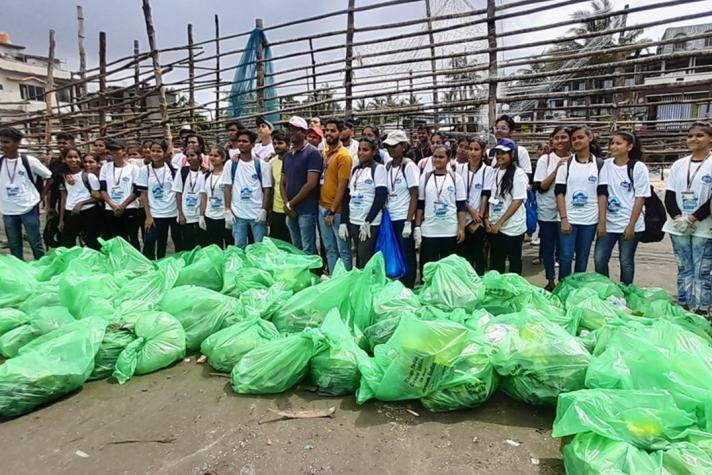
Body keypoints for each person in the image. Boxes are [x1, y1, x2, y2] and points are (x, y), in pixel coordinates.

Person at [663, 122, 712, 314]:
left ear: (710, 139)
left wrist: (692, 218)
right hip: (678, 225)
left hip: (704, 226)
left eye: (699, 135)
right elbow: (669, 195)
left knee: (702, 271)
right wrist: (678, 218)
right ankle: (682, 305)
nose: (693, 139)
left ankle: (701, 309)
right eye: (690, 135)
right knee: (684, 268)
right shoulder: (679, 165)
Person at [594, 131, 651, 285]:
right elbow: (602, 193)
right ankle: (606, 289)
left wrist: (631, 225)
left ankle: (626, 291)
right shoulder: (606, 165)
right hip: (610, 223)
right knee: (599, 258)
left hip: (630, 223)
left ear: (630, 146)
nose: (613, 146)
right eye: (612, 143)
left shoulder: (638, 167)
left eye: (618, 143)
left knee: (626, 260)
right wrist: (602, 221)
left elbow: (641, 197)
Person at [555, 125, 602, 279]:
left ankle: (577, 291)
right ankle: (563, 289)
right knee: (566, 257)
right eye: (574, 139)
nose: (576, 141)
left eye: (580, 137)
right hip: (569, 219)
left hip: (589, 221)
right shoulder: (566, 165)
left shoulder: (600, 165)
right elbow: (559, 193)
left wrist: (601, 222)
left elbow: (602, 195)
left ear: (590, 138)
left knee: (582, 259)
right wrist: (564, 219)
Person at [0, 127, 52, 260]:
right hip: (8, 210)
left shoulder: (29, 161)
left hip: (28, 207)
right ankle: (19, 273)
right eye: (1, 142)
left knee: (35, 242)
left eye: (6, 142)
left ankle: (41, 269)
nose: (3, 145)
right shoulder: (0, 161)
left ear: (17, 143)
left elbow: (49, 178)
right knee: (14, 244)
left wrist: (40, 197)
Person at [415, 145, 466, 269]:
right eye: (435, 157)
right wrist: (417, 227)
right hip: (429, 231)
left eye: (441, 157)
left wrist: (461, 228)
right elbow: (420, 204)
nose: (437, 160)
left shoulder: (455, 178)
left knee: (448, 270)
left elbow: (461, 206)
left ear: (448, 159)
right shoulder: (425, 178)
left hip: (450, 230)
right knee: (428, 270)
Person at [340, 137, 388, 268]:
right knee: (359, 256)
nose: (361, 153)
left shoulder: (379, 169)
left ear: (373, 152)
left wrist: (368, 220)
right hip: (354, 220)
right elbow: (348, 196)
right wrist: (344, 221)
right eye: (360, 149)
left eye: (365, 150)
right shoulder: (356, 170)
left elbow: (380, 196)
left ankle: (367, 285)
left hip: (368, 223)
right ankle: (360, 283)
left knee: (365, 255)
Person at [534, 126, 570, 290]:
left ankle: (564, 281)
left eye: (564, 137)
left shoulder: (577, 159)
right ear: (552, 141)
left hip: (569, 211)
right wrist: (557, 170)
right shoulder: (545, 160)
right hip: (547, 209)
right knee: (548, 247)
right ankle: (550, 280)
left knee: (566, 250)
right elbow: (540, 186)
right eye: (557, 138)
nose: (560, 141)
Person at [224, 129, 273, 249]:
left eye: (245, 141)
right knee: (238, 247)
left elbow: (267, 189)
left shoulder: (261, 165)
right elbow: (227, 187)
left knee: (260, 248)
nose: (241, 143)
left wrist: (264, 210)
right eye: (239, 141)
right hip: (238, 214)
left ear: (252, 145)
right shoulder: (231, 164)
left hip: (257, 214)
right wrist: (227, 210)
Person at [485, 139, 528, 275]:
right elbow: (489, 197)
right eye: (497, 153)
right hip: (495, 227)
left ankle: (515, 292)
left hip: (512, 227)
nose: (499, 156)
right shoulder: (493, 172)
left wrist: (500, 222)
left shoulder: (518, 174)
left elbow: (517, 201)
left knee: (514, 263)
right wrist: (487, 219)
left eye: (503, 153)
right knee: (497, 263)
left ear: (512, 154)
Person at [281, 115, 323, 255]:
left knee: (308, 248)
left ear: (304, 132)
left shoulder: (313, 153)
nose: (291, 132)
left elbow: (311, 184)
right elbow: (282, 182)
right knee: (295, 247)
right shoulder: (288, 155)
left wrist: (290, 204)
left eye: (296, 129)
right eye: (290, 129)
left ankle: (311, 275)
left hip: (306, 210)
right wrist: (287, 204)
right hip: (291, 209)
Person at [383, 129, 419, 287]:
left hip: (403, 216)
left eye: (394, 146)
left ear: (403, 147)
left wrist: (409, 221)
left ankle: (409, 285)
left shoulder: (409, 166)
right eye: (388, 146)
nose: (391, 150)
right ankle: (398, 283)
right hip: (392, 215)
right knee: (395, 251)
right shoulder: (389, 165)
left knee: (407, 254)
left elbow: (414, 194)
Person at [318, 119, 353, 273]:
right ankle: (334, 281)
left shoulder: (344, 156)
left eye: (332, 131)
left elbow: (342, 186)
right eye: (326, 130)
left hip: (336, 211)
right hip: (322, 207)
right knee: (330, 249)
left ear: (340, 132)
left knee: (343, 250)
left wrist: (332, 210)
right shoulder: (324, 154)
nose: (328, 134)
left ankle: (346, 283)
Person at [136, 140, 178, 259]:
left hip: (173, 212)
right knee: (149, 242)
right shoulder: (145, 170)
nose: (154, 153)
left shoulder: (174, 169)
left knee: (174, 241)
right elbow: (143, 194)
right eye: (152, 151)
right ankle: (150, 268)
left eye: (158, 151)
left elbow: (179, 191)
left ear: (165, 153)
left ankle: (169, 265)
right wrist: (148, 216)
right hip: (155, 213)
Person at [456, 137, 491, 276]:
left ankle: (480, 282)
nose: (472, 152)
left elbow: (485, 195)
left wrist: (479, 219)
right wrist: (470, 210)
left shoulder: (487, 171)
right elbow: (459, 196)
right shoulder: (460, 169)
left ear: (483, 152)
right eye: (470, 149)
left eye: (476, 149)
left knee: (479, 253)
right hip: (463, 216)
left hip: (478, 220)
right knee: (464, 254)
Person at [99, 139, 141, 248]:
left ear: (124, 151)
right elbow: (103, 189)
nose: (113, 152)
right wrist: (112, 204)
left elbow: (136, 190)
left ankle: (135, 261)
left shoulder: (133, 168)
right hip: (111, 208)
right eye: (111, 150)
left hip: (129, 207)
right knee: (117, 238)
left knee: (133, 238)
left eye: (116, 150)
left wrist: (123, 206)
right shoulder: (105, 167)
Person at [58, 149, 102, 250]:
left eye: (76, 157)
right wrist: (61, 220)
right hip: (70, 212)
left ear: (80, 159)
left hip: (89, 212)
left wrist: (81, 203)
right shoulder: (64, 176)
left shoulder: (89, 176)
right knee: (68, 242)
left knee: (91, 241)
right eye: (69, 157)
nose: (73, 160)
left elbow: (98, 197)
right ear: (64, 159)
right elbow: (63, 198)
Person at [174, 146, 205, 251]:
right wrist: (181, 214)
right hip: (186, 216)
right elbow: (178, 194)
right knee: (187, 245)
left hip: (200, 215)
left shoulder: (205, 173)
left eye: (193, 155)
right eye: (187, 156)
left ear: (200, 157)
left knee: (201, 244)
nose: (190, 158)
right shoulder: (183, 171)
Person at [199, 147, 232, 248]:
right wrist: (201, 215)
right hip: (210, 216)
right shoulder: (205, 176)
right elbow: (204, 196)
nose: (212, 158)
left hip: (225, 217)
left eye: (216, 156)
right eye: (211, 155)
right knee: (215, 248)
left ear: (223, 158)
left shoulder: (229, 175)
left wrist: (229, 212)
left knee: (230, 246)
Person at [267, 131, 291, 243]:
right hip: (276, 209)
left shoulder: (293, 160)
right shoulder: (271, 163)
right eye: (274, 143)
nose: (276, 146)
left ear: (288, 144)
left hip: (292, 208)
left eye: (280, 143)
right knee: (277, 244)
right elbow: (271, 187)